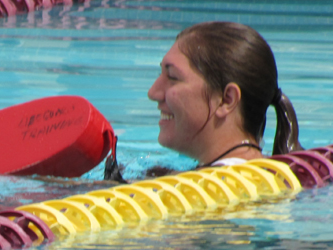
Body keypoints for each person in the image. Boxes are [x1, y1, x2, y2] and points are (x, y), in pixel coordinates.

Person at [106, 21, 303, 181]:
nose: (153, 93)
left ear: (227, 100)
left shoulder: (217, 191)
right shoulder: (269, 173)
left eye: (173, 77)